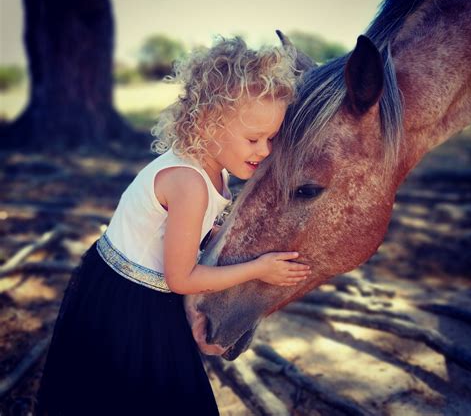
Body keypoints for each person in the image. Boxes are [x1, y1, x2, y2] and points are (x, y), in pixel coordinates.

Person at [35, 36, 311, 416]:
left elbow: (187, 238)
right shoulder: (189, 183)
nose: (264, 150)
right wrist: (260, 269)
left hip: (137, 287)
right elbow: (180, 278)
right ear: (209, 123)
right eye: (253, 138)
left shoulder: (213, 169)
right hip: (127, 302)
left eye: (271, 138)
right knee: (141, 394)